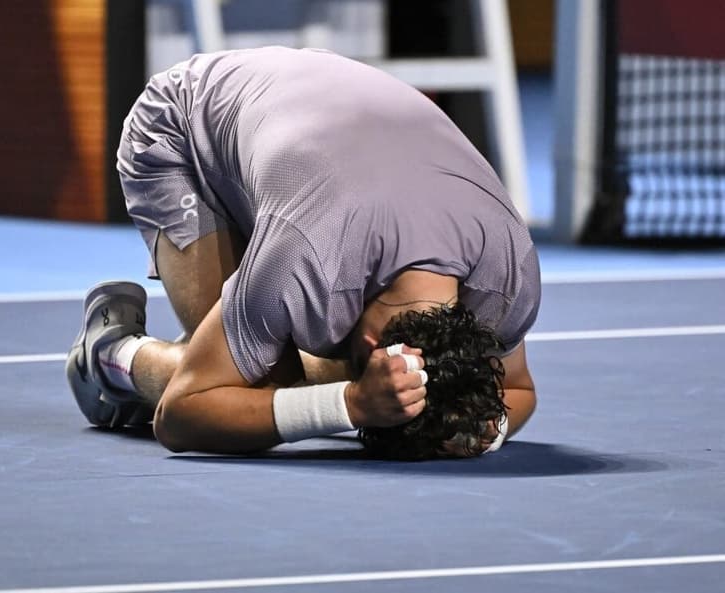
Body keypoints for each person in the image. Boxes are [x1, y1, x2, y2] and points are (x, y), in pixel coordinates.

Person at [66, 47, 540, 460]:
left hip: (316, 117)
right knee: (257, 388)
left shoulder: (506, 276)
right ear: (374, 347)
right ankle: (110, 353)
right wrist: (351, 404)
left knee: (295, 379)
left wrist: (478, 428)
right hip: (181, 124)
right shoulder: (306, 259)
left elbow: (515, 391)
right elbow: (182, 414)